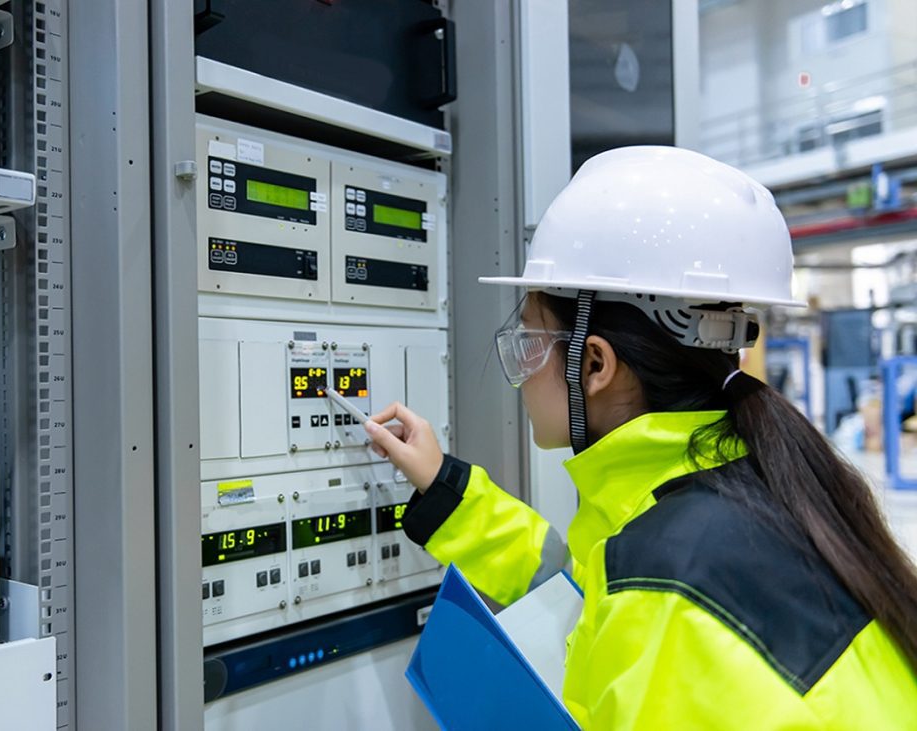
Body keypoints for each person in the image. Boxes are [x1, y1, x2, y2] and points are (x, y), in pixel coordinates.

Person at [363, 147, 917, 729]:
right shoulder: (737, 486)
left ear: (594, 364)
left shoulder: (663, 587)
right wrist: (449, 489)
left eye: (532, 341)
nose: (523, 371)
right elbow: (576, 585)